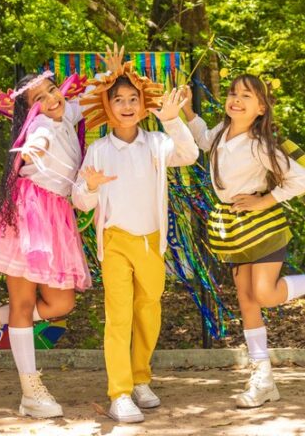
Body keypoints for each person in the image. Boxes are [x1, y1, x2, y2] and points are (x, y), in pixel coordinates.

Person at [179, 76, 305, 408]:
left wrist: (265, 200)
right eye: (233, 93)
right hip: (233, 226)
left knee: (264, 295)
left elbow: (300, 179)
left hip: (264, 226)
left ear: (261, 108)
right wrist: (186, 110)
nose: (236, 99)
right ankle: (263, 379)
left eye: (246, 95)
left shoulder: (260, 144)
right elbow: (202, 140)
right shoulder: (222, 132)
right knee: (247, 301)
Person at [0, 46, 123, 417]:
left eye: (52, 90)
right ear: (30, 110)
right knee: (22, 303)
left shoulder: (67, 112)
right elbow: (37, 140)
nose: (50, 99)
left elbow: (89, 96)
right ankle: (30, 391)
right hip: (29, 211)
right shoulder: (40, 126)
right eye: (39, 98)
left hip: (57, 214)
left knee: (61, 303)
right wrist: (31, 149)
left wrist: (110, 75)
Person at [72, 57, 199, 423]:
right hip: (115, 242)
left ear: (144, 105)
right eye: (118, 100)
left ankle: (141, 378)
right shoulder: (98, 150)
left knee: (148, 311)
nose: (126, 106)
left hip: (151, 243)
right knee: (118, 317)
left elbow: (189, 154)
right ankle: (120, 393)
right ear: (107, 107)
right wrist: (90, 187)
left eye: (132, 99)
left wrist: (172, 120)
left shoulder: (157, 143)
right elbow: (81, 200)